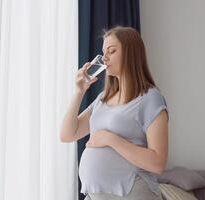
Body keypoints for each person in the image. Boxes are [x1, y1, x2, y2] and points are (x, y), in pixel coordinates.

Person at [59, 26, 169, 200]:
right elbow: (67, 134)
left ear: (130, 54)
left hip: (133, 193)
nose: (104, 58)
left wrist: (109, 139)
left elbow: (157, 163)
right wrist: (79, 92)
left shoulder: (150, 98)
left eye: (111, 51)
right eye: (103, 52)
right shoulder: (102, 99)